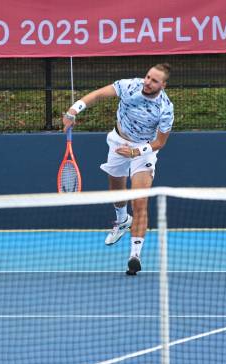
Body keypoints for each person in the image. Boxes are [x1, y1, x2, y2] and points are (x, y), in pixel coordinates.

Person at [61, 63, 174, 275]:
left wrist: (136, 152)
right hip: (118, 142)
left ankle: (135, 255)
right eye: (148, 77)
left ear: (163, 85)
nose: (148, 82)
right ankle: (122, 221)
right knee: (117, 192)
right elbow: (96, 95)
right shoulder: (129, 86)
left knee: (140, 201)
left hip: (143, 151)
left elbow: (160, 142)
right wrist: (73, 111)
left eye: (154, 81)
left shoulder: (165, 108)